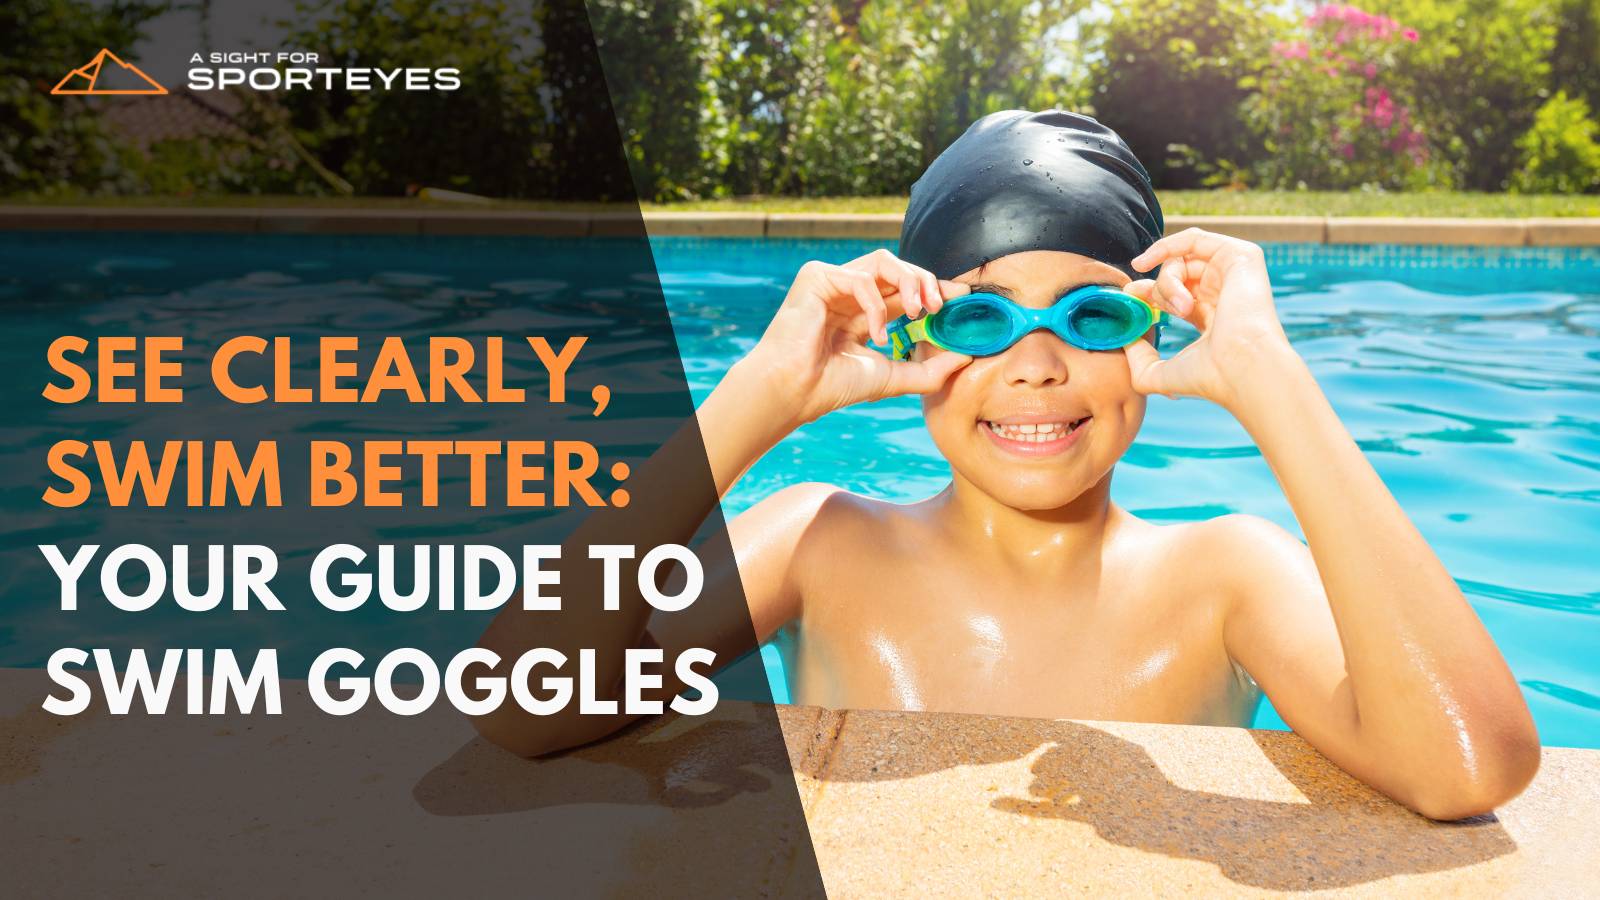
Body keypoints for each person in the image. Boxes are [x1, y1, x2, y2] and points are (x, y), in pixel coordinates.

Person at [474, 110, 1539, 821]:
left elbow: (1466, 768)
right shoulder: (819, 541)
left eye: (1090, 314)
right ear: (914, 339)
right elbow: (526, 706)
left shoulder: (1226, 576)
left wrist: (1271, 380)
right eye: (980, 316)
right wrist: (755, 399)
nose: (1034, 366)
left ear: (1149, 342)